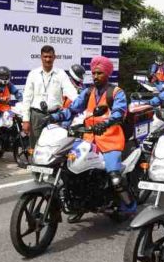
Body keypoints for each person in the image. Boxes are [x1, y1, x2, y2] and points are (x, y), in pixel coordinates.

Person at [46, 55, 134, 215]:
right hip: (88, 139)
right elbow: (72, 109)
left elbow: (120, 113)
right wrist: (54, 117)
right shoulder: (88, 92)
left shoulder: (116, 92)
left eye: (99, 73)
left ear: (107, 74)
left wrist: (106, 123)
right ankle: (78, 203)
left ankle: (128, 207)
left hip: (110, 140)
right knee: (70, 168)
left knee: (115, 178)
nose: (95, 76)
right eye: (93, 73)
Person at [17, 45, 71, 147]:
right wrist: (26, 120)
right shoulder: (33, 74)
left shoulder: (61, 74)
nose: (47, 59)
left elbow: (70, 91)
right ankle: (34, 162)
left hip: (55, 116)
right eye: (45, 56)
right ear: (41, 57)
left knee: (55, 146)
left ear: (54, 57)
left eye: (50, 57)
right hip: (37, 115)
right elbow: (27, 98)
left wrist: (81, 101)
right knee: (36, 146)